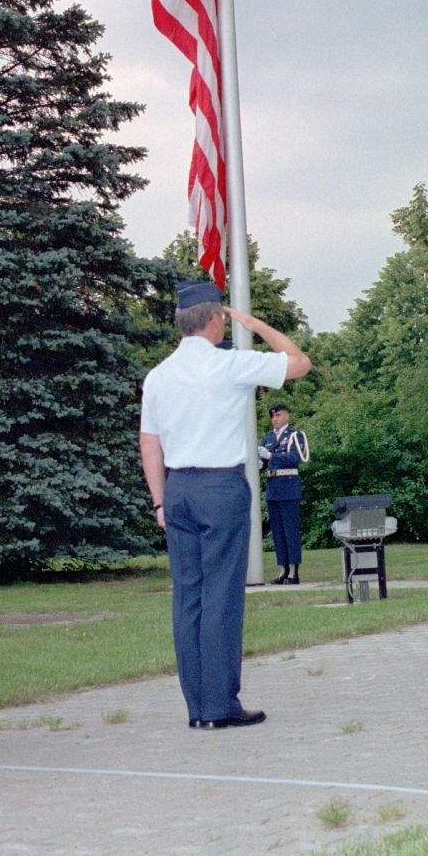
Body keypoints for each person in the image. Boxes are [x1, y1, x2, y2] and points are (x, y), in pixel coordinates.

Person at [139, 280, 312, 730]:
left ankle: (197, 707)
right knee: (221, 595)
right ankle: (220, 704)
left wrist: (159, 501)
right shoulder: (230, 364)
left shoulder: (158, 376)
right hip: (220, 487)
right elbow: (299, 363)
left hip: (177, 490)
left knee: (188, 597)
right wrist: (254, 323)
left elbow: (149, 443)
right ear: (216, 319)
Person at [259, 404, 309, 585]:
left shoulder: (295, 436)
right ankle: (283, 569)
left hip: (288, 486)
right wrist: (260, 463)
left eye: (278, 415)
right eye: (273, 416)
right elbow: (264, 463)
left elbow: (295, 458)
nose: (275, 419)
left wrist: (271, 456)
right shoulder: (268, 438)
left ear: (287, 416)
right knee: (278, 532)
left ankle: (294, 571)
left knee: (290, 530)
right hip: (273, 487)